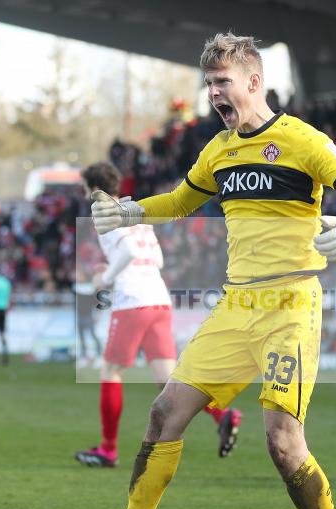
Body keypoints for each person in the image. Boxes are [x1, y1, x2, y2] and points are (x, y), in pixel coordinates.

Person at [61, 32, 336, 509]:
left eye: (223, 82)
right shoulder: (217, 150)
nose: (214, 92)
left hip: (290, 304)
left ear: (253, 82)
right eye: (209, 83)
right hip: (237, 307)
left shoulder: (302, 140)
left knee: (283, 441)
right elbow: (181, 201)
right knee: (165, 413)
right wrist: (130, 211)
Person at [73, 162, 242, 468]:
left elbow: (128, 254)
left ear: (93, 189)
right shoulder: (137, 214)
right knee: (167, 379)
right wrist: (112, 267)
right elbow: (156, 257)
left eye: (85, 188)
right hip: (158, 300)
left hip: (132, 302)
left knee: (110, 372)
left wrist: (105, 277)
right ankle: (222, 414)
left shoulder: (105, 215)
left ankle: (108, 450)